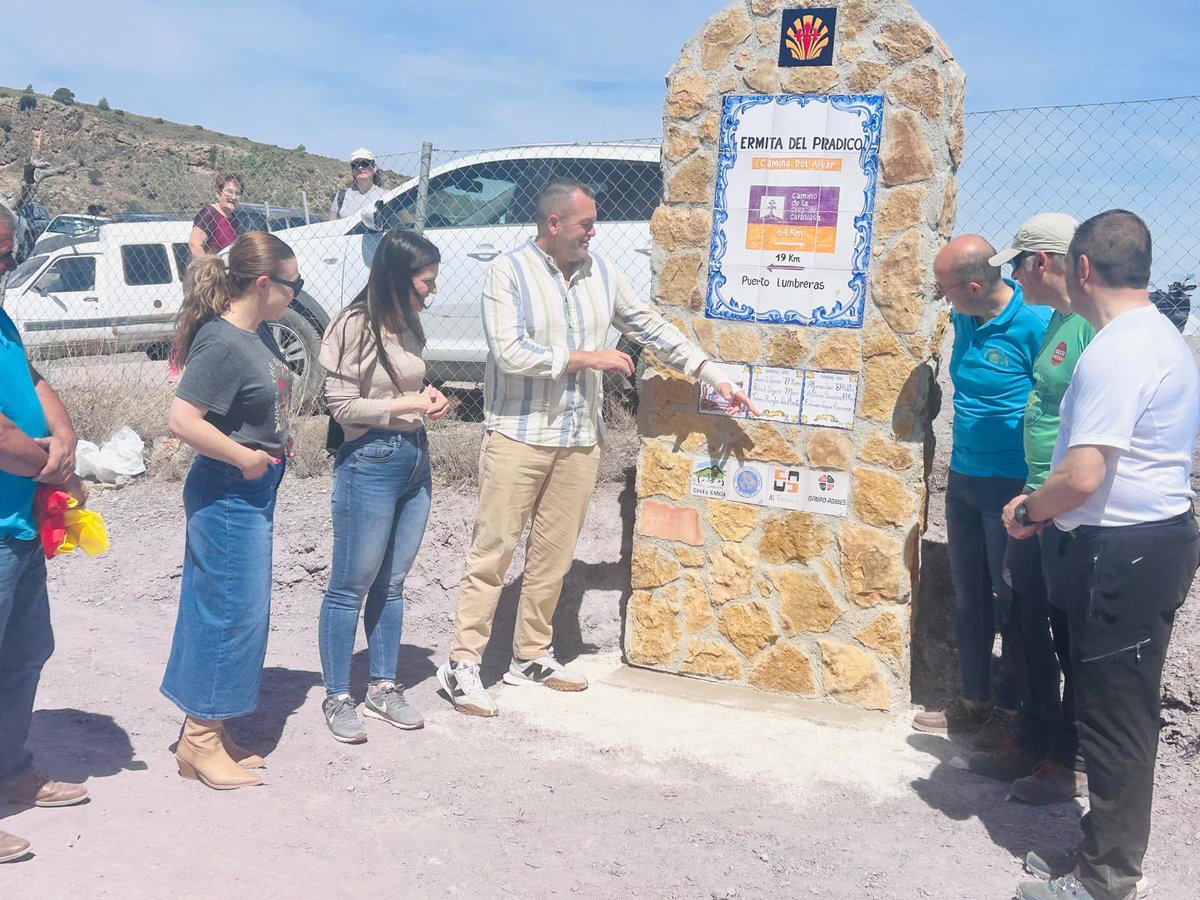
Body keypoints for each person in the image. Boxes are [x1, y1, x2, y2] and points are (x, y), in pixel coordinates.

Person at [436, 178, 757, 717]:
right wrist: (591, 358)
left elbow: (651, 326)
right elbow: (511, 352)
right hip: (518, 434)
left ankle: (530, 656)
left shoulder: (602, 274)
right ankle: (463, 665)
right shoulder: (506, 272)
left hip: (579, 439)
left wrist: (709, 373)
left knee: (553, 557)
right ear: (553, 224)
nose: (594, 232)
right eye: (586, 223)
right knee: (492, 551)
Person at [1008, 211, 1199, 900]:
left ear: (1082, 269)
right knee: (1114, 707)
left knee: (1116, 717)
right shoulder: (1159, 337)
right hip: (1147, 543)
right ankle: (1104, 858)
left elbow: (1085, 475)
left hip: (1125, 553)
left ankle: (1107, 880)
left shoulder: (1118, 349)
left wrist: (1030, 509)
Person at [161, 231, 299, 790]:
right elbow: (182, 420)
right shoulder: (222, 342)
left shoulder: (253, 334)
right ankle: (199, 741)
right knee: (231, 613)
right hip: (227, 491)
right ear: (264, 284)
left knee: (226, 608)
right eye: (292, 286)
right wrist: (246, 459)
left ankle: (208, 732)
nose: (295, 295)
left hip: (247, 489)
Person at [966, 214, 1094, 807]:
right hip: (1036, 496)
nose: (1013, 275)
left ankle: (1067, 760)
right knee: (1021, 618)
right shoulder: (1062, 322)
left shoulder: (1091, 327)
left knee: (1068, 636)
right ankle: (1032, 736)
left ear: (1041, 262)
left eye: (1018, 263)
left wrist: (1051, 497)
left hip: (1068, 507)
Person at [912, 235, 1051, 750]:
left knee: (1013, 600)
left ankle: (1015, 714)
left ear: (973, 286)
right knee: (970, 599)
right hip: (964, 478)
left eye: (945, 289)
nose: (940, 297)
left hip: (1011, 485)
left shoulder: (1035, 323)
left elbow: (1056, 402)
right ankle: (973, 701)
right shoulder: (963, 316)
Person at [316, 231, 450, 743]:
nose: (431, 291)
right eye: (425, 282)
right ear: (398, 277)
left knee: (391, 585)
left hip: (415, 460)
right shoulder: (353, 325)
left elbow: (409, 386)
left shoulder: (408, 320)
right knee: (350, 587)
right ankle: (336, 695)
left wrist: (428, 398)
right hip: (369, 462)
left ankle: (383, 686)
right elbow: (342, 407)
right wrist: (405, 406)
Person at [0, 204, 89, 864]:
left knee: (26, 652)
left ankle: (8, 773)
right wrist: (53, 465)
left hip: (20, 525)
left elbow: (32, 379)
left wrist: (63, 435)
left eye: (8, 253)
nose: (4, 265)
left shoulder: (2, 318)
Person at [189, 173, 243, 259]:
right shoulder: (209, 213)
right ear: (218, 194)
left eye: (237, 193)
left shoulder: (234, 218)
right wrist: (208, 269)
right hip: (209, 270)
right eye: (229, 192)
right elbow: (194, 244)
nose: (233, 197)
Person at [329, 149, 387, 222]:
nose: (360, 168)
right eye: (355, 165)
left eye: (365, 163)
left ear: (374, 167)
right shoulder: (341, 196)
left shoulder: (386, 196)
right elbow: (332, 224)